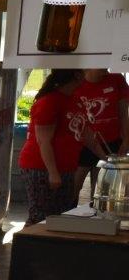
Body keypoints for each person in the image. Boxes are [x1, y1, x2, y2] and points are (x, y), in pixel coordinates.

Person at [18, 69, 102, 225]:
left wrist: (108, 158)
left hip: (67, 167)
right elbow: (44, 141)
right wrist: (53, 172)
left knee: (62, 213)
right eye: (83, 71)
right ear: (76, 75)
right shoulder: (49, 102)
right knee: (41, 215)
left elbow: (88, 136)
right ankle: (29, 240)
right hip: (41, 167)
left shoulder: (75, 100)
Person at [71, 69, 129, 200]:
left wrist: (126, 140)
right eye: (101, 66)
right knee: (75, 185)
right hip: (83, 144)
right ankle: (69, 210)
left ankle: (97, 210)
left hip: (111, 141)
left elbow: (124, 113)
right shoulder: (76, 82)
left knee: (102, 187)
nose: (105, 69)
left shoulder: (116, 79)